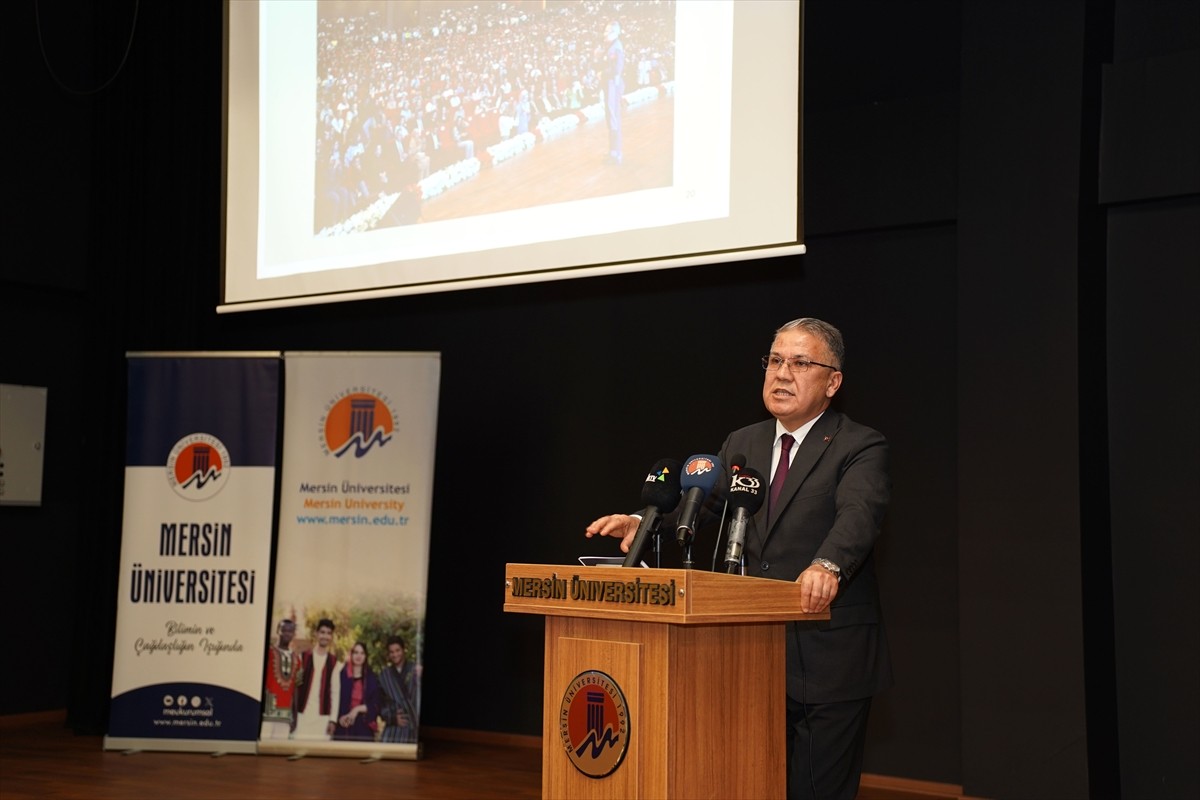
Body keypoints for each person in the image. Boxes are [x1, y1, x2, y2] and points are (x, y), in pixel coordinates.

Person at [586, 317, 892, 800]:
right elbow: (701, 504)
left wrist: (827, 565)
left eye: (800, 362)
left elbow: (860, 513)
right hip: (748, 654)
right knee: (747, 781)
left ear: (832, 381)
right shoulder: (742, 443)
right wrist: (641, 524)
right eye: (774, 361)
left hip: (828, 652)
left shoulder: (859, 445)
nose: (782, 373)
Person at [292, 618, 341, 740]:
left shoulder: (334, 662)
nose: (325, 636)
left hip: (322, 718)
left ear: (331, 637)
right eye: (322, 632)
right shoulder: (303, 657)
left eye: (329, 633)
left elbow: (335, 693)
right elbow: (294, 686)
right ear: (317, 633)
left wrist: (333, 720)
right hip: (302, 715)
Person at [260, 618, 299, 740]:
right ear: (278, 631)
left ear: (294, 634)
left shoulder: (297, 659)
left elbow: (296, 689)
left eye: (290, 631)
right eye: (284, 630)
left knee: (278, 753)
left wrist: (295, 715)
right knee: (263, 749)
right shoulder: (268, 653)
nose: (287, 633)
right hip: (266, 714)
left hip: (285, 716)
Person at [333, 641, 381, 741]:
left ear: (366, 656)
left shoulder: (371, 678)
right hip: (343, 726)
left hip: (363, 728)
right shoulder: (343, 675)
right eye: (356, 652)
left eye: (362, 653)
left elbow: (376, 704)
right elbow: (335, 699)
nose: (359, 656)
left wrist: (356, 710)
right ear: (351, 654)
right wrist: (340, 718)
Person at [377, 635, 420, 744]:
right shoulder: (384, 676)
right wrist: (392, 718)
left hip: (413, 727)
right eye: (391, 652)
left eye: (397, 650)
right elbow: (380, 704)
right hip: (394, 729)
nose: (395, 654)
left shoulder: (415, 669)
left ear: (403, 650)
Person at [599, 20, 625, 164]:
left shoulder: (616, 48)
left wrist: (602, 74)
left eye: (608, 31)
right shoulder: (610, 47)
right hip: (609, 85)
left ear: (615, 33)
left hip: (613, 85)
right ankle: (613, 150)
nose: (604, 33)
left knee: (613, 117)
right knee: (610, 117)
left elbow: (616, 69)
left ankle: (616, 152)